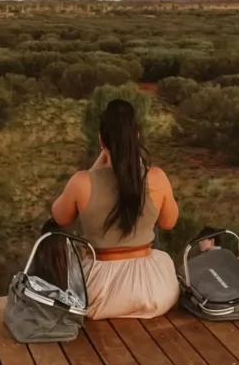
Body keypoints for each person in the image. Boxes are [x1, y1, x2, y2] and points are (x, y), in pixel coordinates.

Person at [51, 99, 180, 319]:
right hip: (154, 291)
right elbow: (169, 223)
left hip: (99, 293)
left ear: (102, 141)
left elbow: (60, 217)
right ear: (137, 137)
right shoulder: (157, 177)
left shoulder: (82, 182)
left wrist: (94, 168)